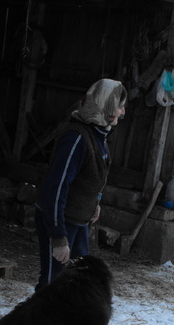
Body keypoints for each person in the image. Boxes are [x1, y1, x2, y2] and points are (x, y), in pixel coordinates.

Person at [35, 79, 127, 290]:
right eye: (120, 106)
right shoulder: (77, 138)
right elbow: (56, 187)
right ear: (108, 107)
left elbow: (91, 177)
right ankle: (40, 322)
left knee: (76, 281)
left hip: (79, 220)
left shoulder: (98, 135)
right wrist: (58, 237)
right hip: (61, 220)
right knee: (52, 284)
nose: (122, 112)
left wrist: (96, 201)